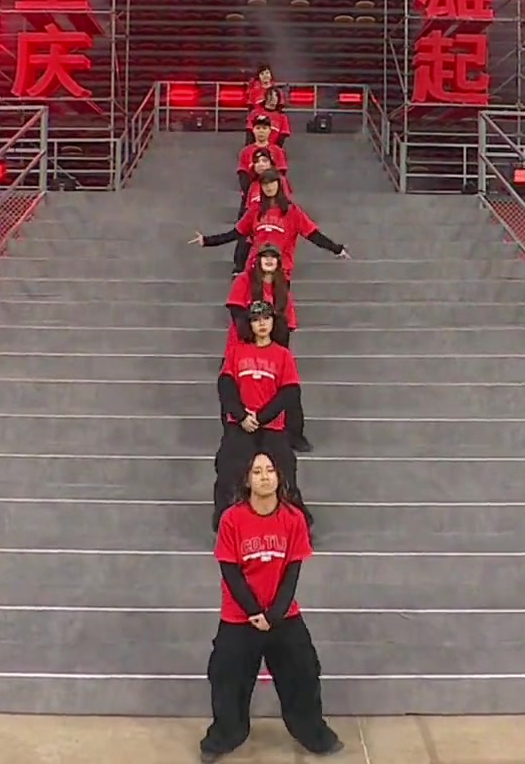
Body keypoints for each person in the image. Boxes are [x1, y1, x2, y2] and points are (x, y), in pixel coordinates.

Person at [201, 450, 342, 763]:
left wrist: (275, 614)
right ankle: (224, 735)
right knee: (225, 675)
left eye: (269, 471)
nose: (264, 477)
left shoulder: (294, 520)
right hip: (240, 616)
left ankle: (313, 733)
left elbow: (292, 572)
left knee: (304, 670)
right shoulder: (231, 519)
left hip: (282, 615)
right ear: (247, 480)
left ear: (279, 477)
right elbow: (230, 572)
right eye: (257, 472)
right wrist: (254, 612)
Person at [213, 301, 310, 531]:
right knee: (228, 470)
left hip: (272, 426)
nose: (262, 324)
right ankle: (225, 526)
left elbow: (289, 392)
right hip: (240, 425)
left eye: (266, 319)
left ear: (274, 322)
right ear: (249, 325)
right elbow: (226, 387)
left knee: (285, 472)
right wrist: (241, 416)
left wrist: (261, 417)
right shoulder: (236, 352)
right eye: (256, 320)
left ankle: (295, 526)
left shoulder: (283, 355)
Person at [228, 245, 311, 453]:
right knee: (232, 388)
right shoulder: (244, 281)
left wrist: (276, 352)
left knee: (290, 390)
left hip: (273, 346)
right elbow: (236, 311)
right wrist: (251, 339)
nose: (269, 260)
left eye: (273, 257)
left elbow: (287, 324)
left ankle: (294, 434)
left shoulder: (282, 289)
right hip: (242, 344)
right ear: (257, 261)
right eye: (264, 256)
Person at [192, 171, 350, 277]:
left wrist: (336, 249)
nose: (268, 187)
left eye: (272, 183)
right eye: (265, 184)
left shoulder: (292, 211)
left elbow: (313, 235)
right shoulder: (255, 210)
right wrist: (207, 240)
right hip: (256, 268)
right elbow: (236, 233)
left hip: (281, 269)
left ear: (279, 185)